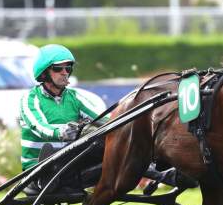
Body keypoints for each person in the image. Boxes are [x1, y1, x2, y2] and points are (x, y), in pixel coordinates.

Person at [20, 44, 194, 195]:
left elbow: (106, 122)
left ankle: (165, 174)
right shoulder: (30, 99)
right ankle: (164, 175)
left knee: (116, 146)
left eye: (68, 68)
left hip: (69, 167)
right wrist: (62, 132)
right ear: (44, 73)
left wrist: (133, 127)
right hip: (38, 171)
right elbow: (38, 127)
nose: (65, 73)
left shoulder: (74, 97)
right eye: (58, 69)